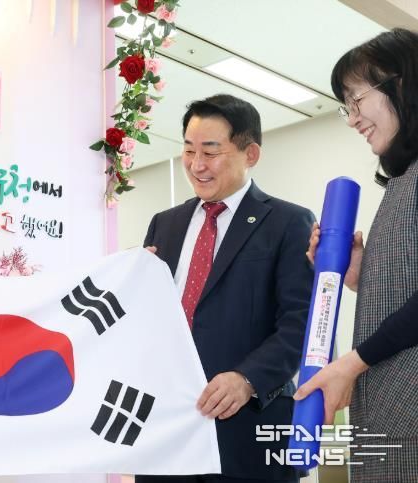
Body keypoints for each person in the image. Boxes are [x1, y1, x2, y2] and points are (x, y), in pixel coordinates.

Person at [139, 94, 314, 482]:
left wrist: (247, 379)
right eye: (189, 150)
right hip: (166, 431)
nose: (196, 165)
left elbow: (300, 322)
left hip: (248, 431)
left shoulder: (288, 222)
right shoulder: (164, 224)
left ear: (250, 154)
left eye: (210, 151)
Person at [294, 28, 418, 482]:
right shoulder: (401, 181)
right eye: (346, 105)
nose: (351, 119)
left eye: (356, 99)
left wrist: (352, 362)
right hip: (388, 417)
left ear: (401, 83)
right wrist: (360, 274)